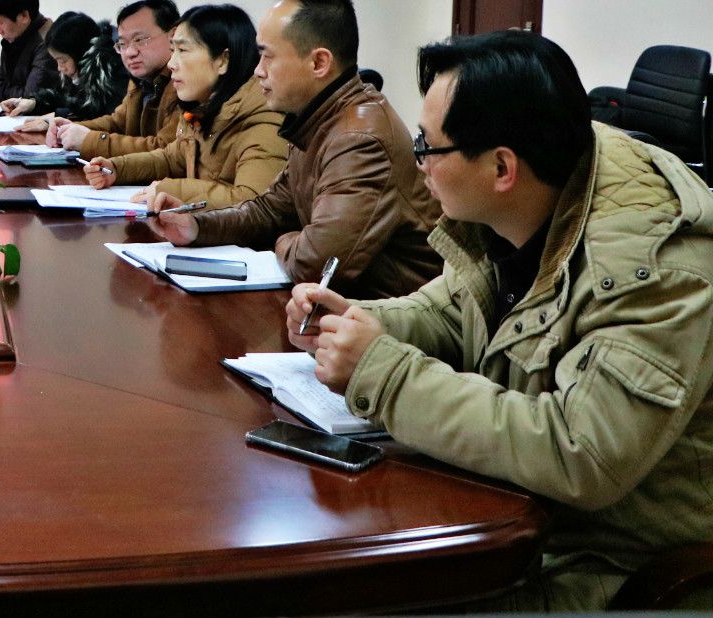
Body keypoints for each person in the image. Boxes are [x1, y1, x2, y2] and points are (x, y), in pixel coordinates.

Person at [287, 31, 713, 612]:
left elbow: (581, 452)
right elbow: (454, 306)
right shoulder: (537, 193)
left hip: (610, 564)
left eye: (427, 146)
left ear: (501, 167)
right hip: (521, 519)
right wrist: (359, 322)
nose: (417, 162)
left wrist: (382, 372)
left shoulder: (654, 268)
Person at [154, 0, 440, 299]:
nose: (257, 71)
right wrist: (197, 227)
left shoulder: (358, 139)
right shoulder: (316, 118)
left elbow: (317, 266)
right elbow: (269, 210)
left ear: (319, 63)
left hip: (387, 325)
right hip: (341, 314)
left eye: (267, 57)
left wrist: (285, 239)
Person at [82, 3, 287, 207]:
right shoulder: (204, 108)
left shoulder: (261, 117)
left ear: (223, 61)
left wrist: (170, 190)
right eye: (172, 50)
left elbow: (254, 202)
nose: (171, 64)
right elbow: (171, 158)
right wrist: (117, 169)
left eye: (182, 50)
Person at [46, 0, 182, 157]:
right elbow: (118, 123)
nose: (130, 52)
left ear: (173, 36)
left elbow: (166, 149)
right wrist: (73, 127)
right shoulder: (140, 80)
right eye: (122, 44)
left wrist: (89, 140)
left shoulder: (183, 81)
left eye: (140, 40)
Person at [0, 11, 129, 126]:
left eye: (63, 61)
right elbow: (65, 100)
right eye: (56, 61)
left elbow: (100, 117)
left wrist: (56, 119)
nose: (60, 68)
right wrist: (33, 103)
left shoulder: (113, 74)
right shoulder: (77, 73)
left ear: (81, 54)